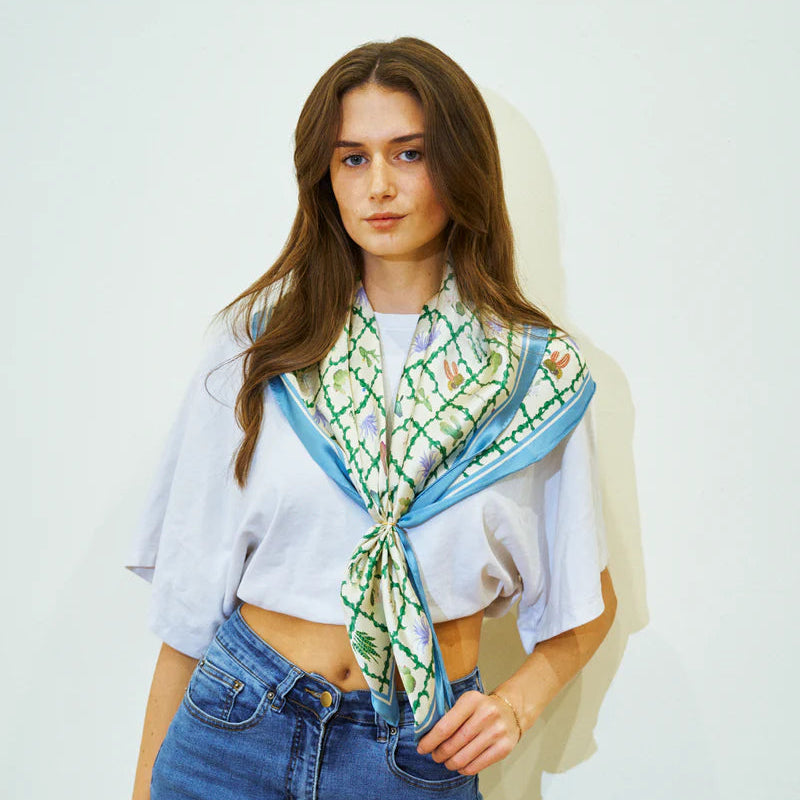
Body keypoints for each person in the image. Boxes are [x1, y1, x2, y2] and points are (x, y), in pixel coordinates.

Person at [126, 36, 617, 800]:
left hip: (415, 754)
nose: (379, 185)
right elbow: (191, 606)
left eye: (410, 154)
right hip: (234, 726)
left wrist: (517, 708)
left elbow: (586, 595)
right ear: (324, 178)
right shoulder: (260, 347)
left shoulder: (534, 376)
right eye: (352, 158)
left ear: (460, 165)